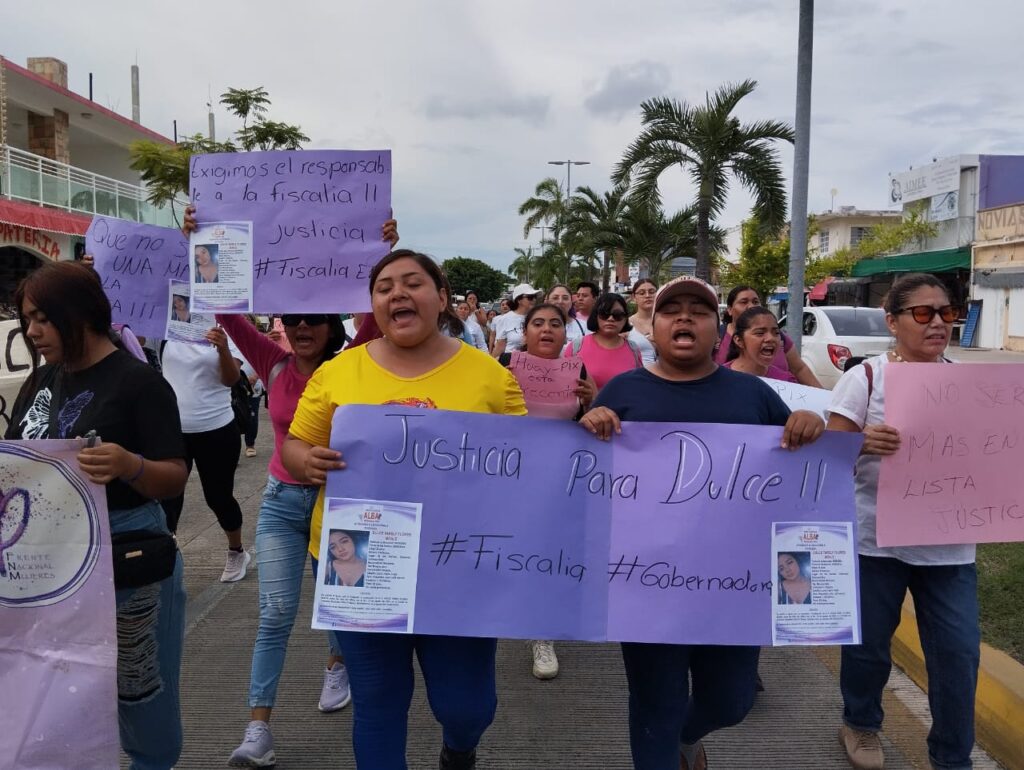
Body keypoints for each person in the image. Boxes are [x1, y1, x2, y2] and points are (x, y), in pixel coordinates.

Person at [281, 249, 526, 770]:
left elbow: (523, 461)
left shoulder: (489, 377)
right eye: (385, 286)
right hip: (359, 554)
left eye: (413, 283)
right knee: (378, 699)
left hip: (459, 558)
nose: (398, 293)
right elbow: (295, 445)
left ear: (442, 298)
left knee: (467, 706)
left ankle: (459, 749)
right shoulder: (338, 372)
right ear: (373, 304)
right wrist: (308, 461)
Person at [579, 275, 825, 770]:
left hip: (732, 587)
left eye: (700, 310)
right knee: (655, 708)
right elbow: (583, 486)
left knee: (730, 702)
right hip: (647, 587)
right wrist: (588, 424)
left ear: (721, 329)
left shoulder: (752, 395)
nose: (685, 317)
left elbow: (799, 478)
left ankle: (687, 737)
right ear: (655, 326)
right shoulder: (625, 391)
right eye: (672, 310)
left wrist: (809, 427)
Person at [6, 261, 189, 770]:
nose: (33, 331)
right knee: (57, 687)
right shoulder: (42, 379)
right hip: (49, 563)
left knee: (139, 693)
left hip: (127, 559)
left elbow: (174, 474)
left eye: (44, 317)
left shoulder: (138, 382)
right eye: (27, 318)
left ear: (81, 313)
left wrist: (129, 465)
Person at [826, 273, 976, 770]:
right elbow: (826, 459)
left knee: (957, 656)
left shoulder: (968, 385)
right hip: (876, 543)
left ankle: (952, 756)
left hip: (949, 547)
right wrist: (861, 443)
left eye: (947, 312)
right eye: (923, 313)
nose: (938, 322)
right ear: (893, 322)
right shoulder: (865, 377)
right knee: (869, 649)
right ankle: (862, 723)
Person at [499, 302, 597, 680]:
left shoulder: (578, 369)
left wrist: (592, 400)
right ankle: (532, 626)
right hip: (513, 475)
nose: (546, 330)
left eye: (555, 324)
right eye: (537, 323)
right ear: (524, 332)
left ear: (566, 332)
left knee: (552, 550)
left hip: (561, 477)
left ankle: (543, 628)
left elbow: (588, 422)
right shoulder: (506, 363)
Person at [160, 325, 251, 582]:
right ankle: (167, 555)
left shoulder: (225, 327)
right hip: (173, 431)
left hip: (217, 427)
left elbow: (231, 379)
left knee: (218, 497)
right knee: (168, 498)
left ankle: (236, 551)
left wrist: (222, 348)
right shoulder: (167, 327)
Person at [715, 285, 822, 388]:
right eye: (744, 302)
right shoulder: (715, 337)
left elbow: (799, 369)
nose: (751, 306)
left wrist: (824, 397)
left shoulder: (785, 378)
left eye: (755, 302)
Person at [566, 292, 643, 390]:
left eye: (617, 315)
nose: (610, 319)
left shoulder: (634, 349)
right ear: (596, 316)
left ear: (625, 319)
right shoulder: (576, 347)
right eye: (604, 314)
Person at [724, 306, 799, 383]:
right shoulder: (719, 379)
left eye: (776, 333)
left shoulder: (786, 381)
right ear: (738, 340)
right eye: (760, 333)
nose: (770, 338)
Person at [491, 283, 540, 358]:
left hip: (533, 364)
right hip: (511, 364)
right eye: (530, 297)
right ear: (519, 300)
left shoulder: (538, 318)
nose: (533, 300)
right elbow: (499, 348)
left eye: (535, 297)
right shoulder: (505, 319)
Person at [628, 278, 658, 365]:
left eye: (652, 292)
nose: (647, 295)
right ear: (634, 297)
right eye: (642, 293)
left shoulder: (667, 322)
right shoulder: (626, 324)